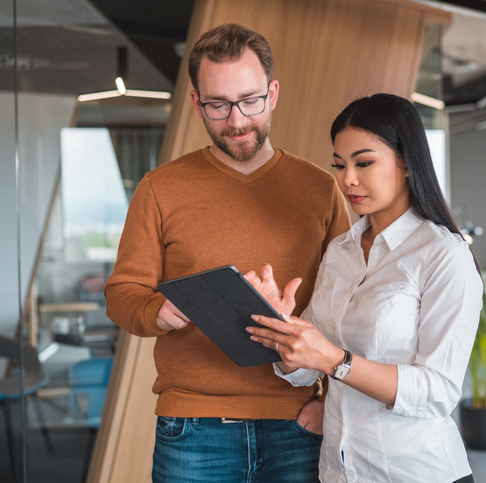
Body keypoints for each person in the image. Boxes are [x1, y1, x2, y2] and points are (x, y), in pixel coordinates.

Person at [104, 23, 350, 482]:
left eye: (250, 100)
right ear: (197, 102)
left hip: (298, 421)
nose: (236, 121)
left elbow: (348, 311)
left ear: (272, 93)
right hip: (193, 428)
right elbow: (122, 292)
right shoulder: (160, 189)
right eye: (217, 105)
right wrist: (158, 311)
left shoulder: (322, 189)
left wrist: (326, 399)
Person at [245, 93, 483, 483]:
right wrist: (284, 330)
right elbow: (303, 370)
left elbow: (437, 392)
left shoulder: (443, 255)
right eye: (339, 165)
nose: (347, 179)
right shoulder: (340, 250)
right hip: (339, 471)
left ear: (406, 162)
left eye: (364, 163)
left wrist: (335, 361)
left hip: (414, 472)